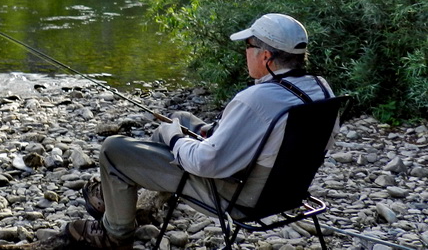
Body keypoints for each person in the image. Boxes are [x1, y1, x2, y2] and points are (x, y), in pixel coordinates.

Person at [65, 13, 335, 249]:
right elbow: (280, 142)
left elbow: (207, 163)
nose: (245, 51)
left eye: (248, 46)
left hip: (239, 197)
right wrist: (209, 134)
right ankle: (117, 199)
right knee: (180, 117)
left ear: (266, 57)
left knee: (114, 149)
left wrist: (176, 140)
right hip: (286, 191)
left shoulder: (256, 99)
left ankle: (115, 234)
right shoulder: (322, 90)